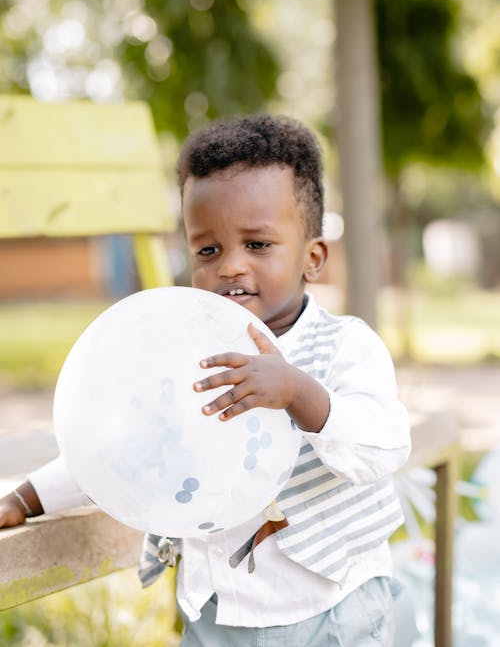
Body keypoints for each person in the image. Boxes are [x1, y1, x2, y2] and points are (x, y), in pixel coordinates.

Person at [0, 114, 411, 646]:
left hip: (330, 610)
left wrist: (299, 393)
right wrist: (27, 498)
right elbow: (123, 449)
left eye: (258, 245)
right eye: (208, 250)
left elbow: (384, 444)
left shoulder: (344, 346)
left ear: (312, 258)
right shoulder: (186, 355)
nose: (230, 267)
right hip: (219, 611)